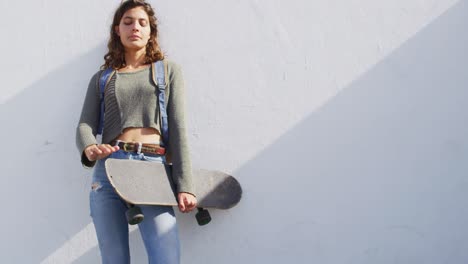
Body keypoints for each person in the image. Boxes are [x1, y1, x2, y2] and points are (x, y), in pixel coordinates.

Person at [75, 0, 197, 263]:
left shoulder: (167, 71)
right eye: (128, 22)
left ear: (151, 31)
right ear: (117, 30)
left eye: (143, 23)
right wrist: (89, 148)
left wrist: (185, 185)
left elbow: (178, 129)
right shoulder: (103, 78)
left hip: (152, 168)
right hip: (108, 172)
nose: (135, 28)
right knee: (114, 259)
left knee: (166, 258)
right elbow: (85, 124)